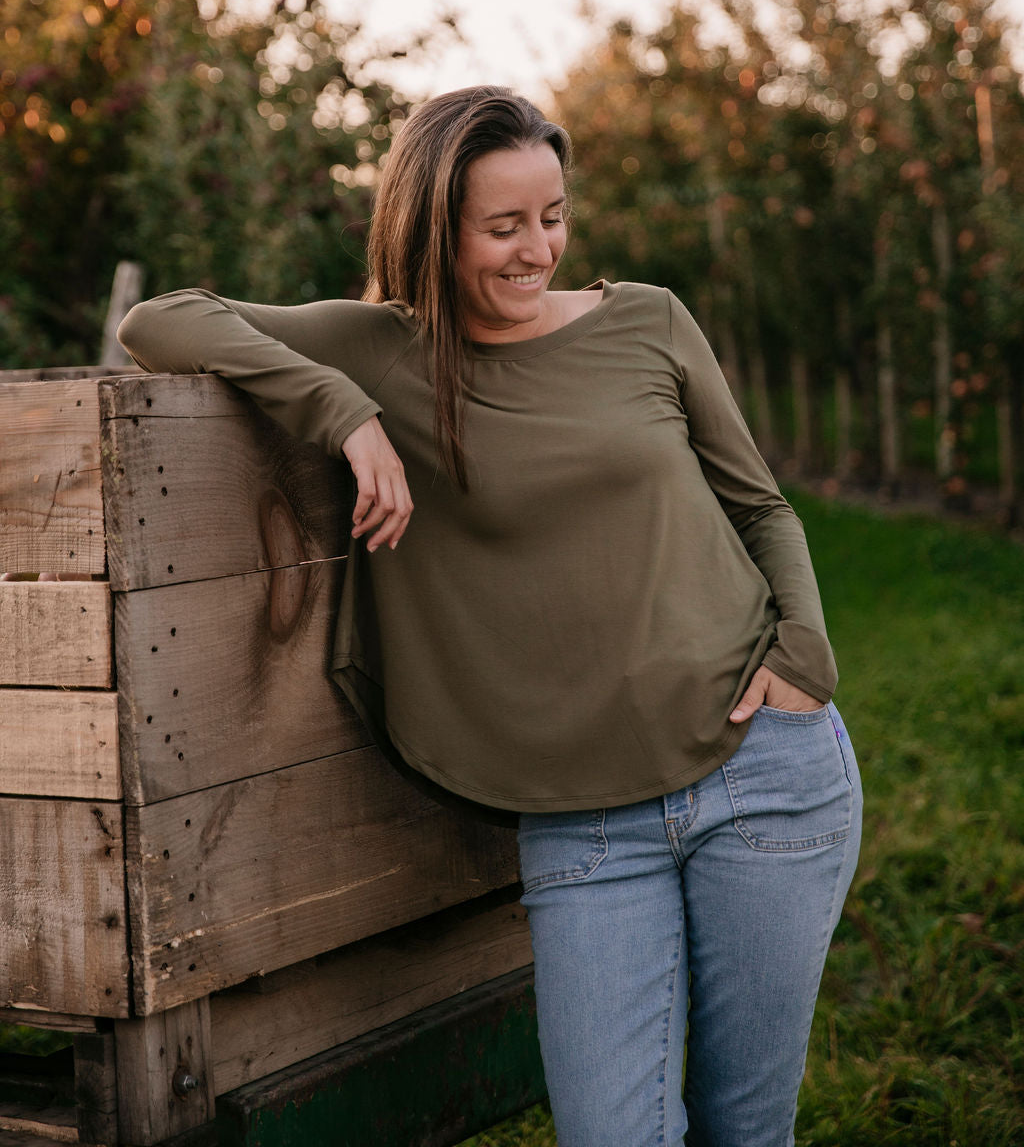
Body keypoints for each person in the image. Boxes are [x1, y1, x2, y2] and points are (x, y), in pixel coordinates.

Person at [117, 84, 862, 1147]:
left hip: (765, 772)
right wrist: (346, 411)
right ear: (432, 226)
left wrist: (804, 660)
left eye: (551, 217)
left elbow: (759, 504)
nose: (536, 250)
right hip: (584, 818)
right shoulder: (383, 348)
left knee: (748, 1129)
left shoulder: (648, 319)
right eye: (502, 226)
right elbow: (160, 321)